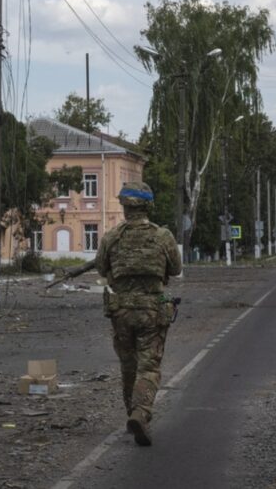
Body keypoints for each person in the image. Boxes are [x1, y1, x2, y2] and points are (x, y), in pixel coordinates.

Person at [65, 181, 182, 446]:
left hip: (121, 312)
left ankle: (132, 412)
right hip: (152, 311)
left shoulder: (111, 237)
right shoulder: (162, 236)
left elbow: (102, 269)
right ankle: (140, 413)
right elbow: (175, 269)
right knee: (148, 366)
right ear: (148, 205)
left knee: (128, 366)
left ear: (124, 206)